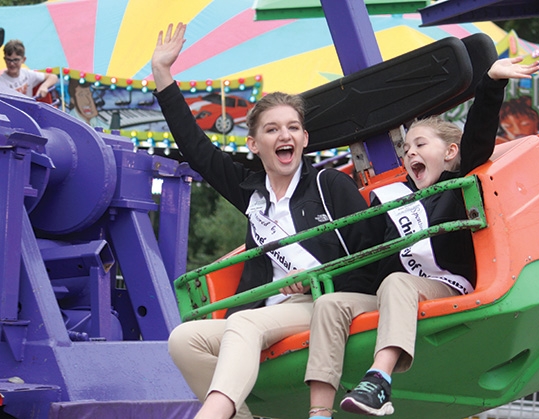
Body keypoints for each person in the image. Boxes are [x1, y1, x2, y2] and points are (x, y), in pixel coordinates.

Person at [151, 23, 377, 419]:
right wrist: (163, 75)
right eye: (272, 129)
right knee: (184, 339)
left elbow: (371, 253)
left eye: (292, 128)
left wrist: (321, 282)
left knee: (245, 326)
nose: (283, 135)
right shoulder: (251, 192)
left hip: (319, 302)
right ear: (255, 145)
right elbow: (198, 149)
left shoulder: (330, 185)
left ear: (304, 139)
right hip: (265, 310)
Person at [304, 56, 539, 418]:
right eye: (406, 149)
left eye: (420, 145)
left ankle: (379, 380)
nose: (410, 152)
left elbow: (477, 136)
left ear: (450, 153)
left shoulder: (457, 185)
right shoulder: (397, 200)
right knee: (330, 304)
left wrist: (491, 82)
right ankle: (319, 411)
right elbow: (368, 259)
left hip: (446, 286)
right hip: (394, 296)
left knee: (400, 282)